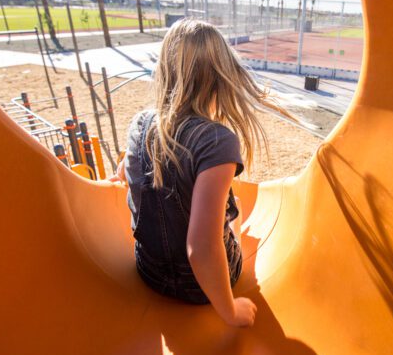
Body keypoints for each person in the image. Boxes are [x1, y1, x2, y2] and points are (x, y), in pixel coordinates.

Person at [108, 19, 294, 328]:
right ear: (221, 77)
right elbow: (202, 248)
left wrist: (117, 179)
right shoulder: (218, 141)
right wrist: (230, 312)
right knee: (235, 210)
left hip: (148, 270)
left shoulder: (140, 123)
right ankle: (236, 226)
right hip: (198, 288)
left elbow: (124, 172)